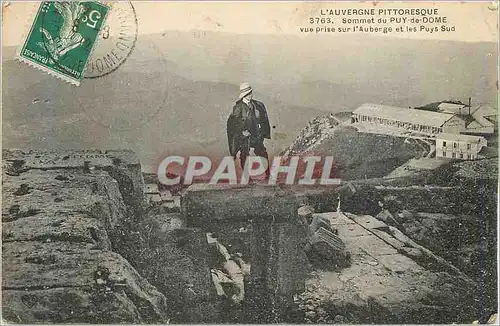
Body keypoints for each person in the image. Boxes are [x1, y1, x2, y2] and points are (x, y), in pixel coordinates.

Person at [227, 82, 271, 177]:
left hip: (256, 135)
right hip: (244, 137)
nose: (250, 95)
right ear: (243, 95)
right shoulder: (238, 108)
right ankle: (247, 177)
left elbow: (263, 119)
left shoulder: (257, 105)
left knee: (262, 153)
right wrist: (242, 132)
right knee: (244, 155)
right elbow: (233, 124)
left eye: (250, 93)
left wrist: (263, 132)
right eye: (247, 94)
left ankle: (268, 174)